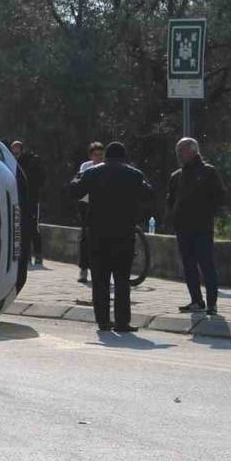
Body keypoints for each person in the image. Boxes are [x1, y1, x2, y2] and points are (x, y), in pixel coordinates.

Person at [69, 141, 153, 333]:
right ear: (124, 157)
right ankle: (123, 322)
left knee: (100, 279)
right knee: (122, 279)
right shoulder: (134, 173)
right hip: (124, 234)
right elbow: (149, 194)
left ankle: (103, 322)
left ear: (106, 156)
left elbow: (74, 190)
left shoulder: (92, 172)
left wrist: (78, 176)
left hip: (98, 233)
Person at [166, 138, 224, 315]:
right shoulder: (176, 176)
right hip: (183, 228)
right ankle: (196, 301)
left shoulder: (208, 172)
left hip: (202, 227)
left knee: (207, 264)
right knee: (188, 265)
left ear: (192, 151)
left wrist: (206, 212)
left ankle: (212, 303)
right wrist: (172, 217)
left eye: (181, 150)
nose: (179, 154)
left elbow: (219, 196)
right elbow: (171, 199)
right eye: (178, 151)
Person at [10, 141, 44, 266]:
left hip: (32, 201)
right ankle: (26, 255)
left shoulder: (30, 162)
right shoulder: (10, 162)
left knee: (34, 228)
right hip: (18, 201)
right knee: (21, 228)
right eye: (14, 148)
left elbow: (39, 179)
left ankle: (38, 255)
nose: (16, 150)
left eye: (18, 148)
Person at [75, 142, 105, 283]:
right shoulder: (85, 167)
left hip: (101, 205)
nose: (99, 157)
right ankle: (83, 269)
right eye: (96, 155)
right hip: (86, 204)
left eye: (101, 154)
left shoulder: (106, 167)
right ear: (91, 156)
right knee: (85, 236)